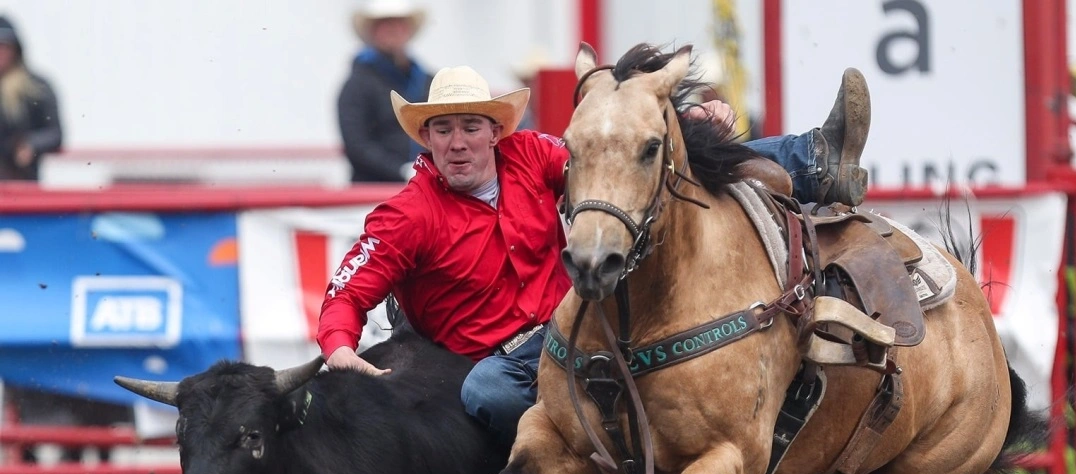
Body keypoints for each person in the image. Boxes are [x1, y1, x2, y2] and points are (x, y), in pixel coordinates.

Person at [317, 64, 870, 445]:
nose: (457, 142)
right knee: (485, 392)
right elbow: (345, 294)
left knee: (648, 174)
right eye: (443, 129)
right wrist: (340, 349)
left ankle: (810, 159)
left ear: (494, 132)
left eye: (470, 127)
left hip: (581, 323)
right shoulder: (406, 216)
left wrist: (684, 130)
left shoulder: (529, 154)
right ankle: (596, 438)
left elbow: (618, 166)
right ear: (427, 139)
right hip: (508, 362)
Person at [337, 0, 433, 183]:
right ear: (372, 32)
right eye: (385, 24)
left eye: (399, 23)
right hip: (374, 188)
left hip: (425, 183)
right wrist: (401, 171)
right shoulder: (357, 85)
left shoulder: (427, 80)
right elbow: (357, 146)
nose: (393, 30)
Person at [0, 15, 62, 181]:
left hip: (21, 180)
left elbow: (55, 133)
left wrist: (30, 144)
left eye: (4, 47)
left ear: (15, 50)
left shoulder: (36, 88)